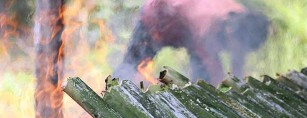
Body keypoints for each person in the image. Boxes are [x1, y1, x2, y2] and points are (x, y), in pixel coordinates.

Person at [113, 0, 269, 85]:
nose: (239, 50)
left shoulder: (240, 18)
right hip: (155, 20)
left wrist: (238, 83)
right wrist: (221, 90)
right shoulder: (206, 21)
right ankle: (111, 92)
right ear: (231, 32)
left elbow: (238, 57)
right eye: (240, 45)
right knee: (133, 64)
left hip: (185, 28)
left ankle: (199, 99)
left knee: (203, 76)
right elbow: (210, 61)